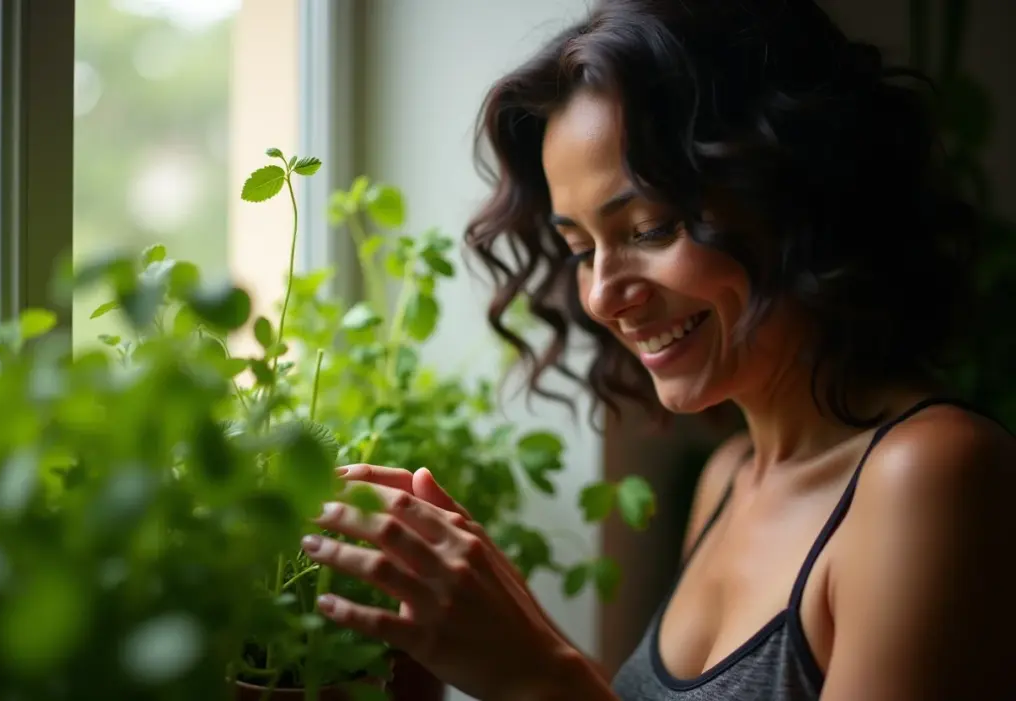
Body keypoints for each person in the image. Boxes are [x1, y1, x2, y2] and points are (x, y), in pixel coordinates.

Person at [299, 0, 1016, 699]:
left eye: (648, 228)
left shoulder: (933, 475)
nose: (603, 295)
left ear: (792, 192)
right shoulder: (727, 477)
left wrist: (540, 674)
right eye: (580, 248)